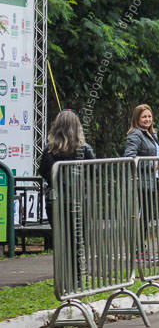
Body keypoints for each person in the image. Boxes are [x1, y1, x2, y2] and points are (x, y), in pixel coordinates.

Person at [38, 110, 96, 286]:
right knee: (77, 239)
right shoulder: (84, 149)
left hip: (55, 201)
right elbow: (94, 172)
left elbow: (44, 172)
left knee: (60, 240)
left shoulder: (49, 150)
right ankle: (77, 277)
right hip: (77, 200)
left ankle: (62, 277)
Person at [124, 104, 159, 262]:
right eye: (144, 117)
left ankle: (141, 250)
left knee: (146, 219)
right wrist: (150, 165)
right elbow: (129, 157)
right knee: (140, 219)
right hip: (140, 185)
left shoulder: (151, 133)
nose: (147, 119)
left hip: (152, 183)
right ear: (137, 119)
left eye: (149, 116)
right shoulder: (135, 134)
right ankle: (137, 252)